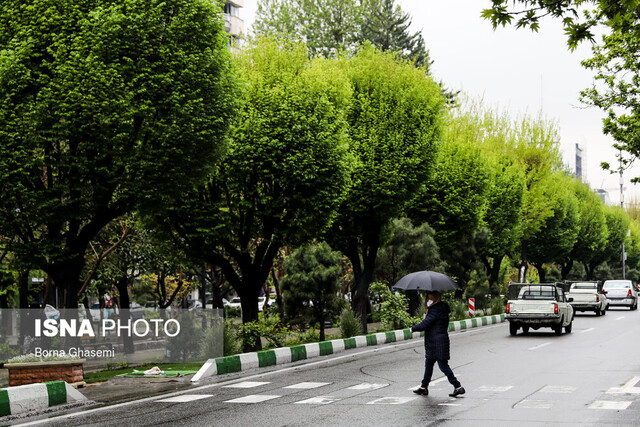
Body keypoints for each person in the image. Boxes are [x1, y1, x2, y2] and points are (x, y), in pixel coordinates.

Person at [410, 290, 465, 397]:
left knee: (443, 366)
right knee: (429, 365)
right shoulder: (439, 309)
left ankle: (458, 386)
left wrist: (413, 328)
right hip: (435, 342)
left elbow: (425, 324)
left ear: (435, 298)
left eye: (430, 298)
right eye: (428, 298)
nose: (428, 300)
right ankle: (423, 387)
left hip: (437, 343)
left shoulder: (436, 310)